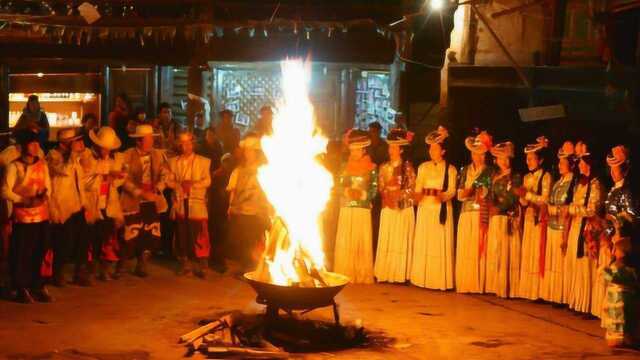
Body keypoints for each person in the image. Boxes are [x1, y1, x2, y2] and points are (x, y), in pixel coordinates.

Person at [2, 129, 53, 303]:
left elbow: (48, 185)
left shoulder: (42, 165)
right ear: (22, 147)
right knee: (23, 252)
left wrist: (45, 196)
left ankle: (37, 285)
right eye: (32, 143)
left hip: (42, 215)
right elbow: (4, 190)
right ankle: (20, 286)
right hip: (23, 217)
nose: (36, 146)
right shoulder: (14, 166)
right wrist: (22, 199)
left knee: (41, 250)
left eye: (37, 143)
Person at [410, 126, 457, 290]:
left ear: (443, 151)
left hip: (440, 209)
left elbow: (452, 190)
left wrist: (442, 196)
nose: (432, 151)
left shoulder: (450, 169)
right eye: (430, 148)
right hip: (425, 208)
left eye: (435, 148)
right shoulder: (423, 167)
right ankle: (421, 278)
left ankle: (438, 280)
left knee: (438, 243)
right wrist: (416, 197)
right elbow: (418, 187)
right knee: (425, 241)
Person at [601, 145, 638, 347]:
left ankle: (626, 331)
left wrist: (618, 229)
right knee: (613, 281)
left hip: (623, 241)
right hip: (613, 240)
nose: (613, 172)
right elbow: (608, 217)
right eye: (611, 168)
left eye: (616, 168)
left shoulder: (627, 190)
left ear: (624, 169)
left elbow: (632, 215)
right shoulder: (614, 190)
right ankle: (616, 329)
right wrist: (606, 235)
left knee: (621, 285)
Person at [120, 124, 168, 278]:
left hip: (152, 199)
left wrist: (157, 188)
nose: (151, 143)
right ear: (139, 142)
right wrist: (139, 192)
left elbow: (165, 174)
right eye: (148, 140)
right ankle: (122, 262)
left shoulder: (158, 155)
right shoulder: (127, 155)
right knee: (130, 232)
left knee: (150, 233)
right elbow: (124, 179)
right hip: (133, 200)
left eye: (151, 139)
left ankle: (142, 264)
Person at [47, 128, 91, 287]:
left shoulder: (76, 159)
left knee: (82, 239)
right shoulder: (53, 156)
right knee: (63, 241)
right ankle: (58, 273)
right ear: (65, 144)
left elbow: (80, 180)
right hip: (62, 206)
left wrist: (84, 202)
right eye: (76, 141)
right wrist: (72, 156)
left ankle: (80, 273)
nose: (81, 144)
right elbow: (63, 172)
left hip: (77, 204)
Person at [334, 129, 377, 284]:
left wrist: (363, 195)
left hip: (362, 209)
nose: (354, 152)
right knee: (347, 240)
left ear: (363, 150)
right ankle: (345, 272)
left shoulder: (371, 167)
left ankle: (361, 273)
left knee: (360, 241)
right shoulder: (345, 166)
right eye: (352, 150)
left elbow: (374, 189)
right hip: (347, 207)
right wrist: (347, 191)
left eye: (357, 150)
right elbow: (337, 187)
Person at [82, 127, 126, 281]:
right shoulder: (87, 157)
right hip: (92, 204)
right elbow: (85, 181)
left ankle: (104, 268)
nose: (106, 151)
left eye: (109, 149)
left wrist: (117, 177)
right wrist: (105, 176)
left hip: (107, 204)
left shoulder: (113, 160)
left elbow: (118, 181)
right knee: (90, 239)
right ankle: (88, 270)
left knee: (107, 237)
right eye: (104, 148)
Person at [166, 132, 211, 278]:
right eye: (183, 144)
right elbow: (169, 180)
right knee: (182, 233)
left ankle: (200, 264)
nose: (186, 146)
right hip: (181, 200)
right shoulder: (173, 162)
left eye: (189, 143)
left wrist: (192, 184)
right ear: (180, 145)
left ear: (193, 144)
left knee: (198, 232)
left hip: (196, 202)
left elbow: (207, 181)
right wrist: (179, 185)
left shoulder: (203, 161)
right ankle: (185, 263)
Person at [374, 128, 416, 283]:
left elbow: (412, 188)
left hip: (402, 208)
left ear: (401, 149)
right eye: (390, 147)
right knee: (388, 238)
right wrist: (388, 198)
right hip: (388, 206)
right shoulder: (384, 167)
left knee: (400, 239)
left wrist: (400, 197)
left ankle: (400, 274)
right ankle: (385, 273)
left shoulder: (408, 168)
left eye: (394, 147)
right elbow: (381, 186)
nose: (391, 150)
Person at [566, 141, 603, 314]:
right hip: (575, 227)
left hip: (586, 230)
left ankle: (586, 305)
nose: (579, 165)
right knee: (576, 265)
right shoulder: (579, 184)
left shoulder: (594, 184)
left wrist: (571, 209)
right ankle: (577, 302)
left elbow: (592, 209)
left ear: (588, 164)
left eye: (581, 162)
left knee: (585, 266)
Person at [456, 131, 494, 294]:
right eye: (474, 152)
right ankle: (466, 283)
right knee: (466, 247)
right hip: (466, 212)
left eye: (479, 153)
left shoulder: (489, 172)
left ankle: (479, 284)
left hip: (480, 213)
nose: (476, 156)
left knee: (478, 247)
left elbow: (487, 193)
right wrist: (467, 191)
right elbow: (459, 193)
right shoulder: (465, 170)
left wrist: (474, 191)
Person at [226, 133, 270, 274]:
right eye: (246, 151)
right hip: (240, 211)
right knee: (242, 240)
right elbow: (232, 190)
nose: (247, 153)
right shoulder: (239, 170)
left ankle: (254, 268)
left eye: (250, 151)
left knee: (254, 240)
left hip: (256, 212)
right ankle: (244, 267)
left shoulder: (263, 171)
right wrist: (231, 206)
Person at [517, 136, 552, 301]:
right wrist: (521, 197)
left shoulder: (546, 177)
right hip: (529, 218)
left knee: (537, 252)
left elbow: (545, 199)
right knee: (528, 250)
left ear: (540, 159)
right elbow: (524, 201)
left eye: (531, 159)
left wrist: (528, 195)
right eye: (526, 159)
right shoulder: (526, 178)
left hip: (540, 219)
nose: (528, 161)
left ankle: (538, 291)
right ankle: (527, 290)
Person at [541, 141, 577, 304]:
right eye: (559, 163)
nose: (560, 166)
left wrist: (555, 210)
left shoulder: (572, 184)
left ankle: (563, 296)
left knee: (561, 263)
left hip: (564, 227)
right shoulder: (558, 183)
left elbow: (566, 207)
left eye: (563, 163)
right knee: (552, 260)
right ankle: (552, 295)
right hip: (552, 226)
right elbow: (550, 202)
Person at [485, 141, 522, 298]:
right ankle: (496, 286)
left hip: (507, 217)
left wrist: (499, 208)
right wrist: (489, 203)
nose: (503, 161)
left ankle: (508, 288)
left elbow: (513, 197)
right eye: (500, 158)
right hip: (496, 218)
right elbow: (490, 194)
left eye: (506, 158)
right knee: (497, 251)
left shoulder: (515, 176)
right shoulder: (494, 176)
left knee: (507, 252)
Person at [209, 153, 233, 272]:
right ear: (222, 162)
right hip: (216, 210)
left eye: (229, 162)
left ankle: (219, 260)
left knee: (222, 236)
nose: (228, 164)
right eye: (226, 161)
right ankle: (216, 261)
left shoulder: (230, 175)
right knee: (216, 236)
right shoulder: (217, 175)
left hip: (224, 210)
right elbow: (212, 192)